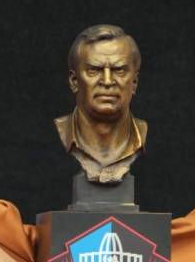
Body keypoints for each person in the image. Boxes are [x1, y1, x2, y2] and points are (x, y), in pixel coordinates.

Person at [54, 24, 147, 183]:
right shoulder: (62, 130)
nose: (107, 81)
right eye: (93, 71)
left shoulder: (141, 135)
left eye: (119, 70)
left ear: (135, 82)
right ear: (74, 81)